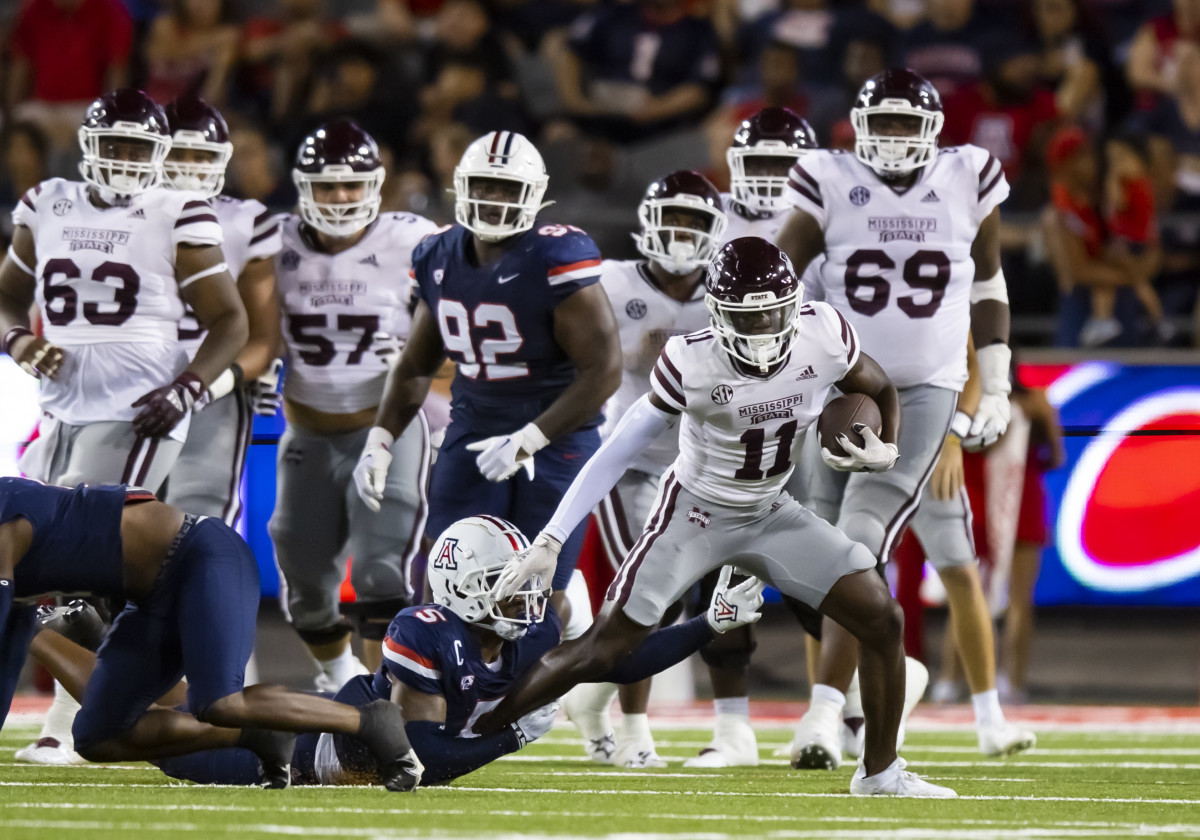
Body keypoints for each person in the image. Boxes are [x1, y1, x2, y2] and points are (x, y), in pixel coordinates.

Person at [474, 237, 957, 798]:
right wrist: (552, 539)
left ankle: (879, 774)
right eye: (745, 319)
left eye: (772, 313)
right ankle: (475, 727)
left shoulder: (823, 333)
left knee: (882, 617)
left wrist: (888, 447)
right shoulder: (690, 359)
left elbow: (875, 386)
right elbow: (618, 449)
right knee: (604, 649)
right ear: (718, 313)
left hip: (773, 511)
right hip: (694, 514)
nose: (761, 331)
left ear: (794, 303)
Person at [28, 515, 765, 787]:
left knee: (152, 707)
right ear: (457, 587)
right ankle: (49, 627)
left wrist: (711, 624)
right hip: (295, 750)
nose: (522, 601)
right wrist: (508, 733)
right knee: (140, 728)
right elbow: (416, 754)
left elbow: (613, 660)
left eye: (519, 586)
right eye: (499, 587)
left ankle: (86, 630)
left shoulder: (537, 623)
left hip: (323, 745)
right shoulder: (425, 627)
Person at [775, 68, 1035, 768]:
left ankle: (827, 718)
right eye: (879, 123)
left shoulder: (967, 176)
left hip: (922, 392)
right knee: (819, 550)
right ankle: (852, 709)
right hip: (836, 389)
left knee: (861, 537)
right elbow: (781, 277)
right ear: (857, 129)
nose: (891, 138)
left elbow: (986, 281)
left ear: (932, 131)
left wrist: (998, 385)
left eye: (903, 123)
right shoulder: (826, 179)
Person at [0, 88, 248, 765]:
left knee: (84, 566)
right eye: (115, 144)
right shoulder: (46, 203)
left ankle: (85, 717)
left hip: (138, 409)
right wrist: (20, 340)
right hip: (60, 409)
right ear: (87, 145)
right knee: (47, 569)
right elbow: (6, 300)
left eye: (140, 146)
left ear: (162, 152)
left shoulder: (176, 211)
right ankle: (86, 712)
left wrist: (190, 387)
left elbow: (231, 320)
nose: (126, 158)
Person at [354, 130, 622, 627]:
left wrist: (530, 438)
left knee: (537, 582)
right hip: (475, 426)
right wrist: (381, 438)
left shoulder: (556, 257)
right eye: (484, 185)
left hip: (558, 434)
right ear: (460, 185)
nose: (494, 199)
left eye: (506, 188)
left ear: (537, 194)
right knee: (450, 570)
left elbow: (604, 370)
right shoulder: (437, 255)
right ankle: (457, 684)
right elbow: (415, 365)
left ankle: (540, 693)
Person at [0, 476, 421, 792]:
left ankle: (369, 721)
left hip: (199, 554)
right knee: (97, 737)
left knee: (219, 701)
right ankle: (258, 733)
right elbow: (11, 643)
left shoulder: (6, 513)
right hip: (150, 600)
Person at [563, 170, 727, 770]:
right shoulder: (610, 282)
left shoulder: (727, 288)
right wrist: (630, 354)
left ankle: (594, 697)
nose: (681, 235)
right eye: (673, 220)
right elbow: (573, 359)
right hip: (626, 461)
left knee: (672, 601)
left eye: (694, 223)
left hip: (700, 468)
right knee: (646, 597)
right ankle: (634, 730)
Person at [268, 118, 439, 691]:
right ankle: (343, 677)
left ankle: (388, 701)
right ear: (302, 186)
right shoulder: (275, 241)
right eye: (326, 185)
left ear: (375, 185)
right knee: (304, 581)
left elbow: (454, 332)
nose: (339, 198)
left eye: (351, 185)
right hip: (308, 432)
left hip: (387, 428)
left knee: (380, 572)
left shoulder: (413, 239)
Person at [162, 92, 284, 524]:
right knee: (105, 515)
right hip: (126, 377)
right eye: (180, 153)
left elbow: (264, 337)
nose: (191, 166)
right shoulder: (118, 216)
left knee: (196, 517)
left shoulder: (244, 220)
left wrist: (212, 384)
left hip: (207, 383)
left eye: (202, 155)